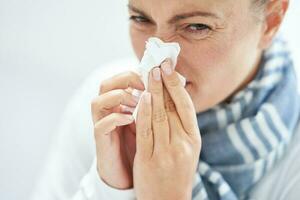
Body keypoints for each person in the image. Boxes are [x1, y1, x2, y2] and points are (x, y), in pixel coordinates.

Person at [31, 0, 300, 199]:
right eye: (140, 19)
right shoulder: (105, 110)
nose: (157, 58)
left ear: (272, 21)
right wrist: (108, 189)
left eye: (196, 26)